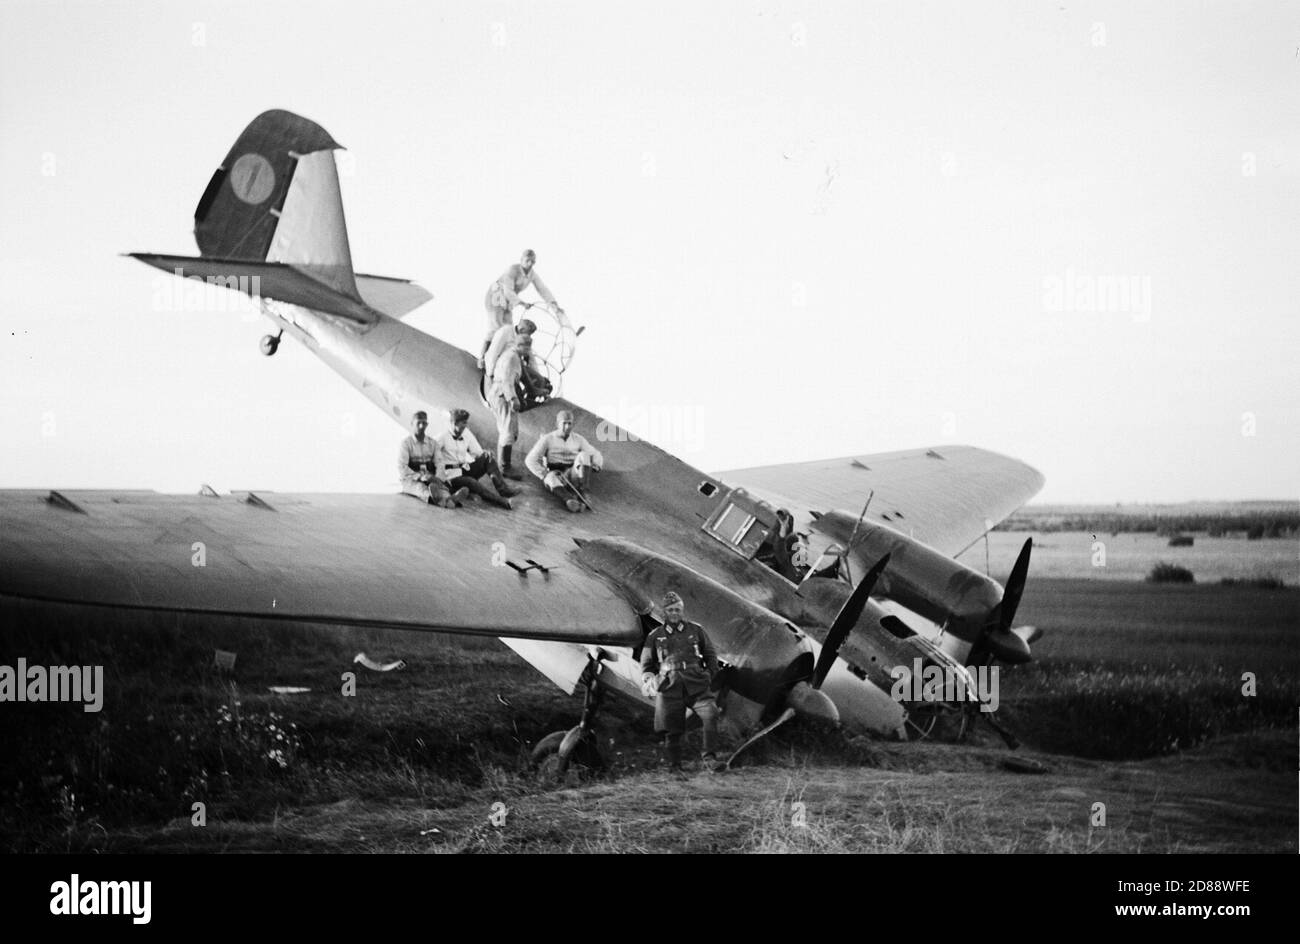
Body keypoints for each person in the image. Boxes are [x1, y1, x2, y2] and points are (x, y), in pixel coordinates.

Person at [639, 591, 724, 773]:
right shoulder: (655, 636)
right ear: (664, 612)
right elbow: (646, 664)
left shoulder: (696, 630)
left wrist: (708, 674)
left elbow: (710, 655)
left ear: (682, 610)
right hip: (668, 685)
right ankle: (675, 767)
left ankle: (710, 759)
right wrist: (650, 680)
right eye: (670, 610)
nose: (674, 612)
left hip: (697, 683)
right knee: (672, 729)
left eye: (677, 609)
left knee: (711, 714)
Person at [479, 249, 563, 368]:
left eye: (532, 262)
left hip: (508, 303)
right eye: (527, 260)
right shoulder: (512, 270)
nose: (529, 264)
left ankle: (502, 357)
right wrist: (522, 303)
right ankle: (484, 357)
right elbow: (508, 290)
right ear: (522, 260)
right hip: (496, 297)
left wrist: (553, 304)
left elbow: (542, 288)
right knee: (497, 329)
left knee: (509, 330)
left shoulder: (531, 274)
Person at [432, 408, 519, 510]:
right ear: (454, 423)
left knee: (487, 457)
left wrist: (486, 454)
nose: (465, 426)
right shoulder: (442, 437)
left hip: (464, 469)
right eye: (463, 423)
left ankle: (504, 490)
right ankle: (503, 502)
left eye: (466, 423)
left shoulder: (466, 432)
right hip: (450, 475)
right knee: (471, 482)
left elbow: (478, 452)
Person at [524, 409, 603, 513]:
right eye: (564, 423)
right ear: (557, 424)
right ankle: (569, 499)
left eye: (569, 423)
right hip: (556, 475)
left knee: (584, 455)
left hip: (572, 474)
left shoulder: (578, 439)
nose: (567, 427)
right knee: (550, 478)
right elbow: (530, 460)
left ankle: (584, 492)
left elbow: (595, 453)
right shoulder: (548, 439)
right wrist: (544, 473)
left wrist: (597, 464)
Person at [399, 411, 468, 509]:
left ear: (427, 424)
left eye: (424, 423)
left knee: (441, 488)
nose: (421, 426)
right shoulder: (406, 444)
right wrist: (421, 476)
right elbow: (402, 468)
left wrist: (438, 479)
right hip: (411, 480)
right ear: (412, 424)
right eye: (418, 423)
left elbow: (440, 464)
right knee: (420, 488)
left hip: (431, 478)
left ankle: (450, 500)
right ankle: (437, 499)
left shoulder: (433, 444)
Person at [489, 334, 531, 479]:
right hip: (503, 394)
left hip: (498, 393)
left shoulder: (511, 355)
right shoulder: (512, 358)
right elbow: (507, 380)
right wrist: (513, 398)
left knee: (505, 429)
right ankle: (504, 467)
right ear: (519, 346)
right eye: (526, 346)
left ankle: (503, 465)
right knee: (508, 430)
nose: (528, 349)